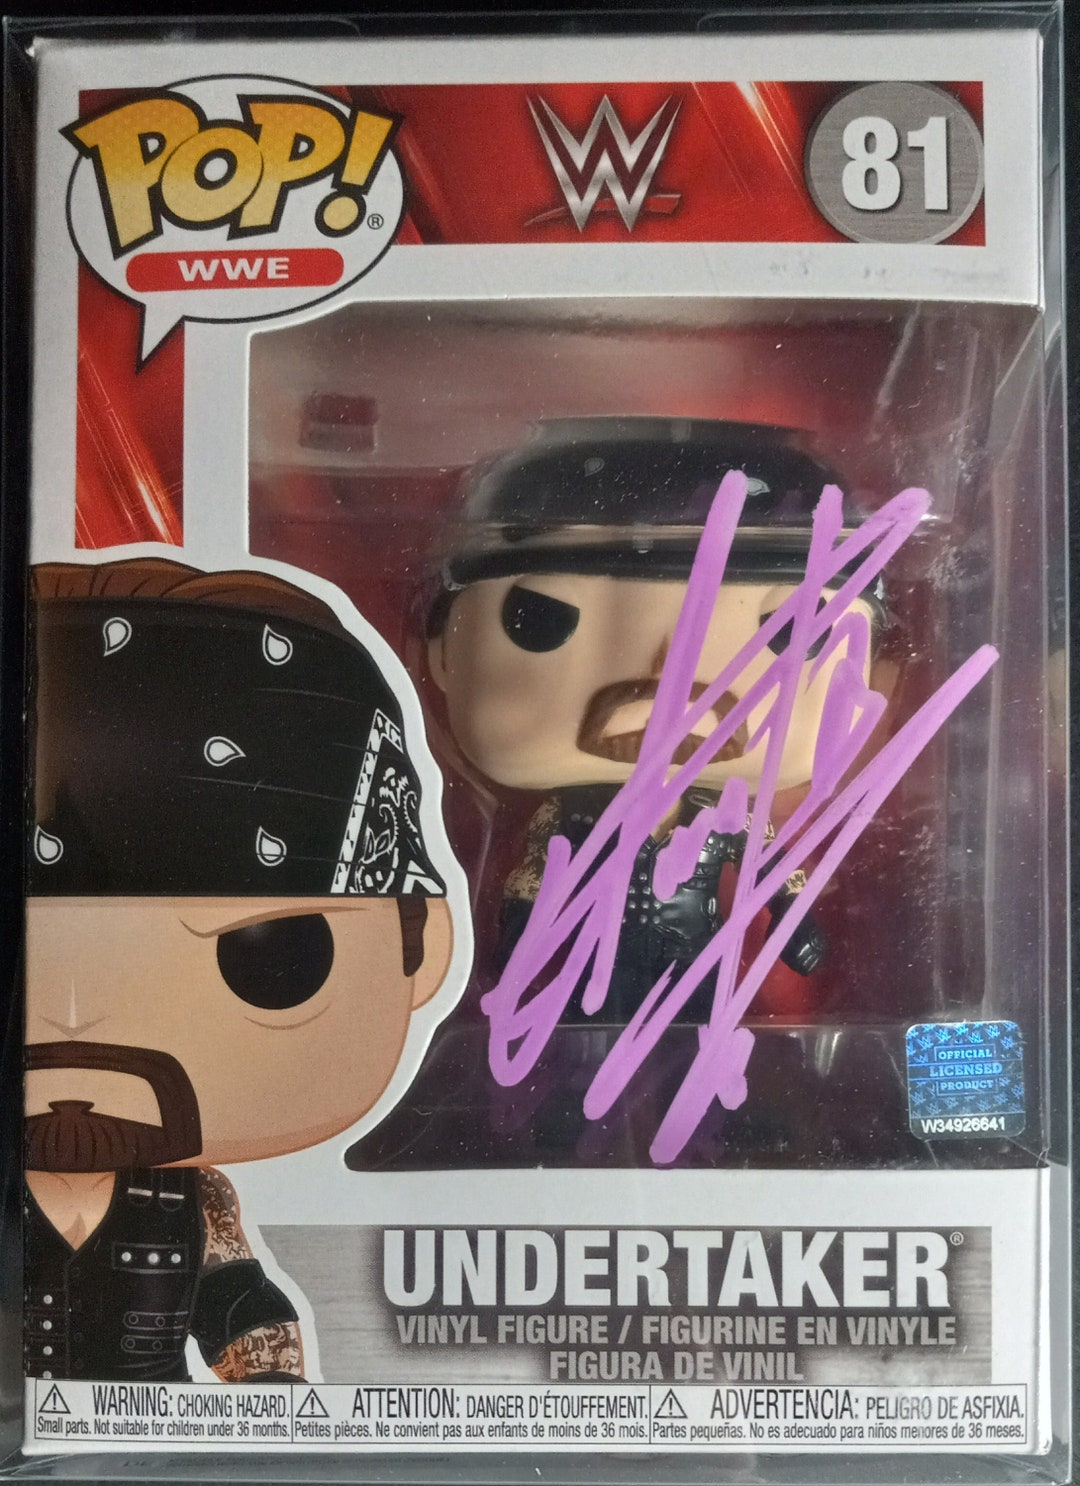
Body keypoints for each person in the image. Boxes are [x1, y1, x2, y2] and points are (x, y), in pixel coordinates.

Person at [25, 559, 455, 1383]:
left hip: (164, 1440)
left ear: (421, 942)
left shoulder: (196, 1201)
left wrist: (272, 1398)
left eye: (267, 956)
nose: (74, 1017)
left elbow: (241, 1304)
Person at [428, 417, 881, 1024]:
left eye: (790, 630)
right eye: (541, 617)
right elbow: (531, 880)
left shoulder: (732, 817)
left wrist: (795, 927)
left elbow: (770, 871)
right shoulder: (567, 818)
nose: (671, 677)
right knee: (586, 1032)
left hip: (691, 956)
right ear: (442, 653)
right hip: (593, 963)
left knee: (696, 1028)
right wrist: (513, 941)